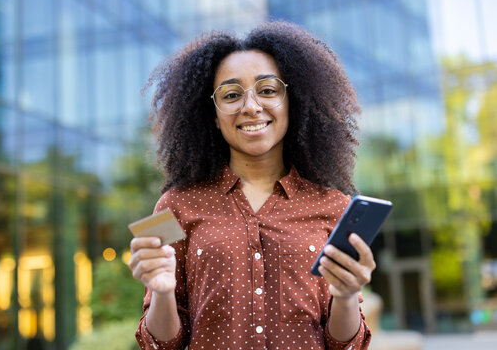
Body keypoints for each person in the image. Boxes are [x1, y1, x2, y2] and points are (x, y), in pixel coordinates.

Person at [128, 21, 375, 350]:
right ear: (213, 116)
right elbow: (159, 344)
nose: (251, 106)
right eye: (231, 95)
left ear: (292, 101)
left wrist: (345, 296)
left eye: (268, 90)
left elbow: (347, 344)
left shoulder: (333, 206)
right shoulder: (173, 207)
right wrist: (161, 292)